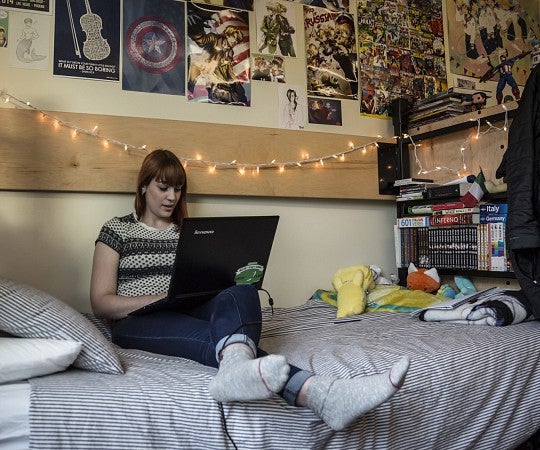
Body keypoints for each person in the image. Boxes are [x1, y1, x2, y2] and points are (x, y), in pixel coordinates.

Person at [90, 149, 410, 431]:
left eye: (178, 188)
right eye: (163, 187)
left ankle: (237, 371)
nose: (172, 196)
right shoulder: (118, 229)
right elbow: (101, 302)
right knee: (221, 342)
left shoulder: (188, 233)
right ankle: (323, 393)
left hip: (185, 308)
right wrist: (162, 298)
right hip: (137, 322)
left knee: (241, 290)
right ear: (144, 186)